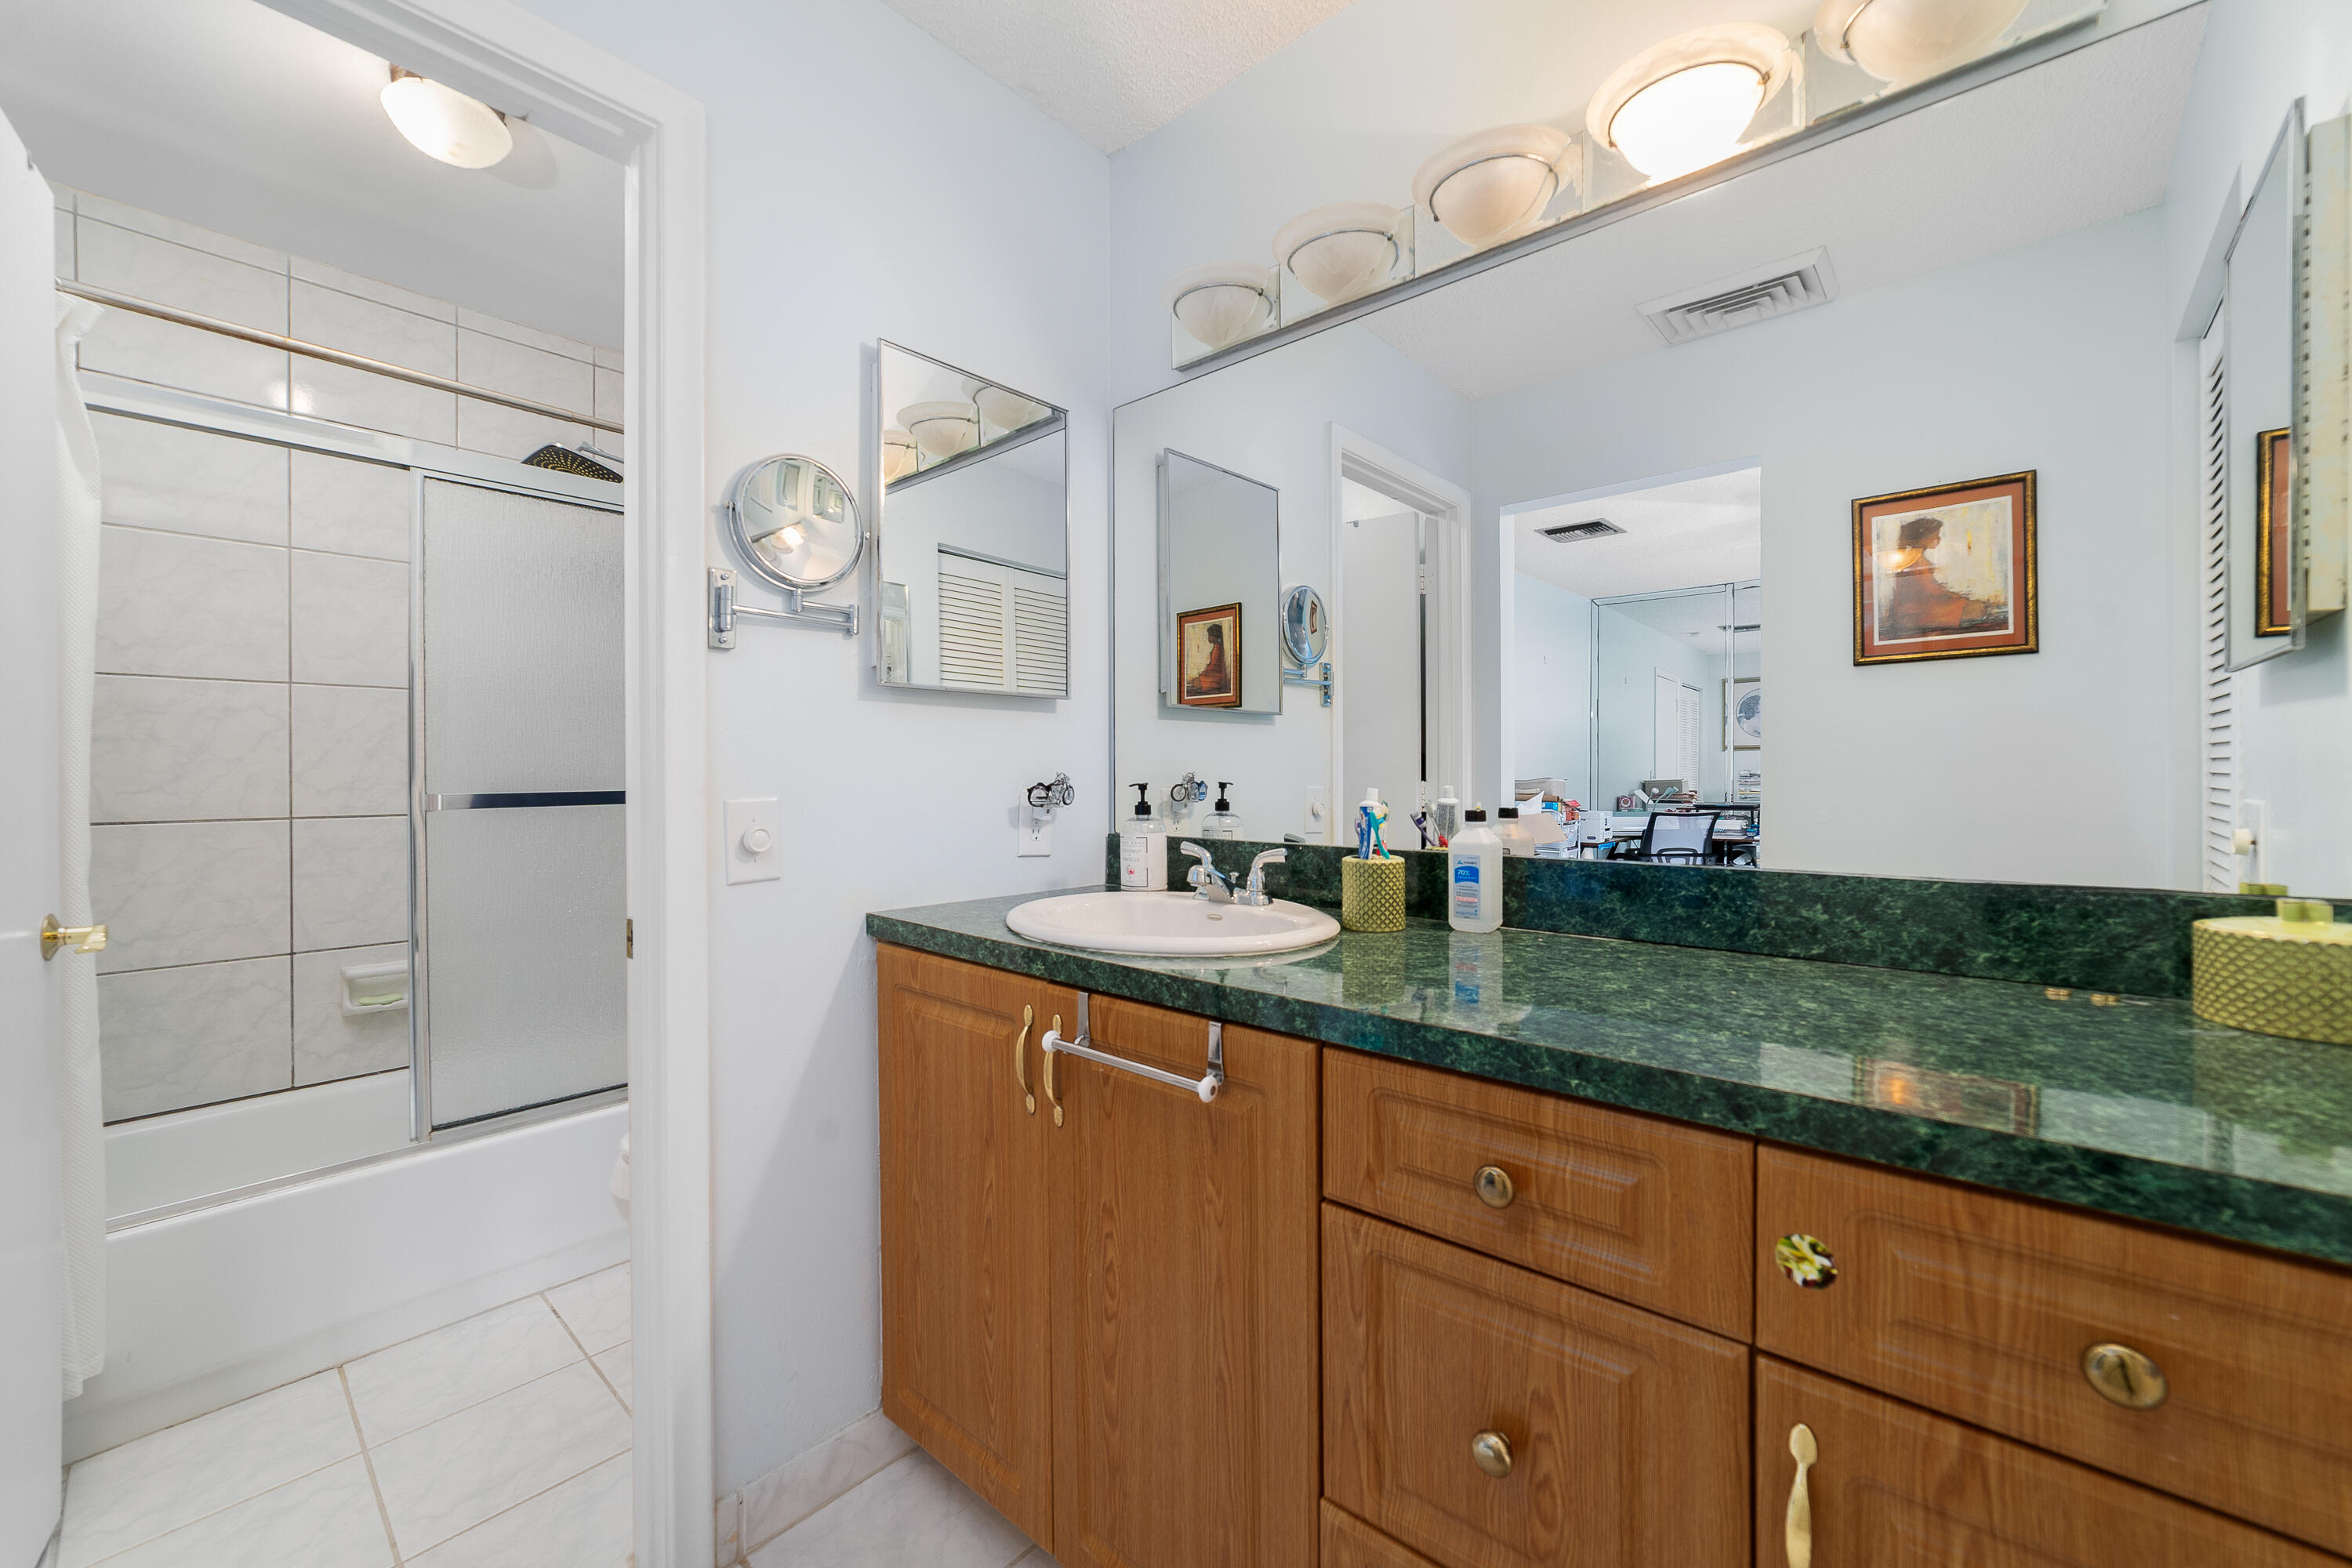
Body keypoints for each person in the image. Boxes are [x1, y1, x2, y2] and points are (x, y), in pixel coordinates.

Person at [1878, 514, 2005, 640]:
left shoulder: (1915, 557)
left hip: (1923, 605)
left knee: (1975, 605)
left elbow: (1930, 587)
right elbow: (1930, 590)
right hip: (1918, 610)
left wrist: (1953, 594)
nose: (1938, 539)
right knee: (1977, 608)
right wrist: (1954, 595)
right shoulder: (1916, 560)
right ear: (1924, 537)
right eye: (1935, 535)